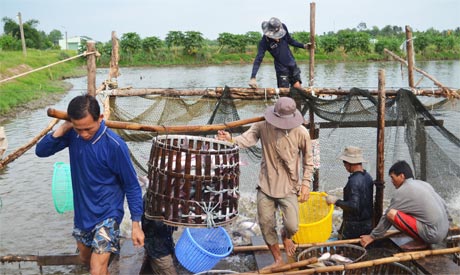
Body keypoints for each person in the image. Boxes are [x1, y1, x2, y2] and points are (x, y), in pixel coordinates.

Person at [35, 94, 144, 274]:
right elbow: (41, 151)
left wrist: (136, 224)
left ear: (100, 118)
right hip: (83, 214)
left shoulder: (115, 145)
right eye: (79, 129)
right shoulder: (73, 136)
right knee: (85, 258)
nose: (84, 134)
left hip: (108, 213)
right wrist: (63, 128)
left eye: (89, 129)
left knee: (96, 268)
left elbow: (132, 185)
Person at [216, 97, 314, 269]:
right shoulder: (262, 126)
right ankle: (277, 258)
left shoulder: (301, 132)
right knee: (266, 224)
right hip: (266, 185)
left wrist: (306, 183)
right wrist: (230, 139)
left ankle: (286, 235)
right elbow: (246, 139)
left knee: (292, 225)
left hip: (289, 187)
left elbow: (309, 160)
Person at [360, 160, 451, 251]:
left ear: (402, 176)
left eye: (392, 177)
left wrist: (372, 236)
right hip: (444, 230)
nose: (392, 181)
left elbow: (387, 217)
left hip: (433, 235)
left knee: (391, 214)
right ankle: (423, 237)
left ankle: (421, 241)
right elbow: (444, 205)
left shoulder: (403, 191)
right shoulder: (424, 184)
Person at [325, 146, 374, 239]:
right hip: (368, 224)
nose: (344, 165)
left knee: (347, 250)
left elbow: (353, 206)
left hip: (354, 227)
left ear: (349, 163)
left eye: (344, 163)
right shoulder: (368, 177)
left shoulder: (353, 181)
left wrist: (336, 201)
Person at [249, 17, 311, 89]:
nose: (278, 39)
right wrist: (253, 77)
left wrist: (304, 46)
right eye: (275, 36)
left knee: (298, 88)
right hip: (281, 69)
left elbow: (290, 40)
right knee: (283, 92)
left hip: (292, 64)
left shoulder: (283, 27)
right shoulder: (264, 42)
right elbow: (258, 59)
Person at [141, 198, 178, 275]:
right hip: (158, 249)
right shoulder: (153, 200)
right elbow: (154, 226)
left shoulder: (169, 199)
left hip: (164, 244)